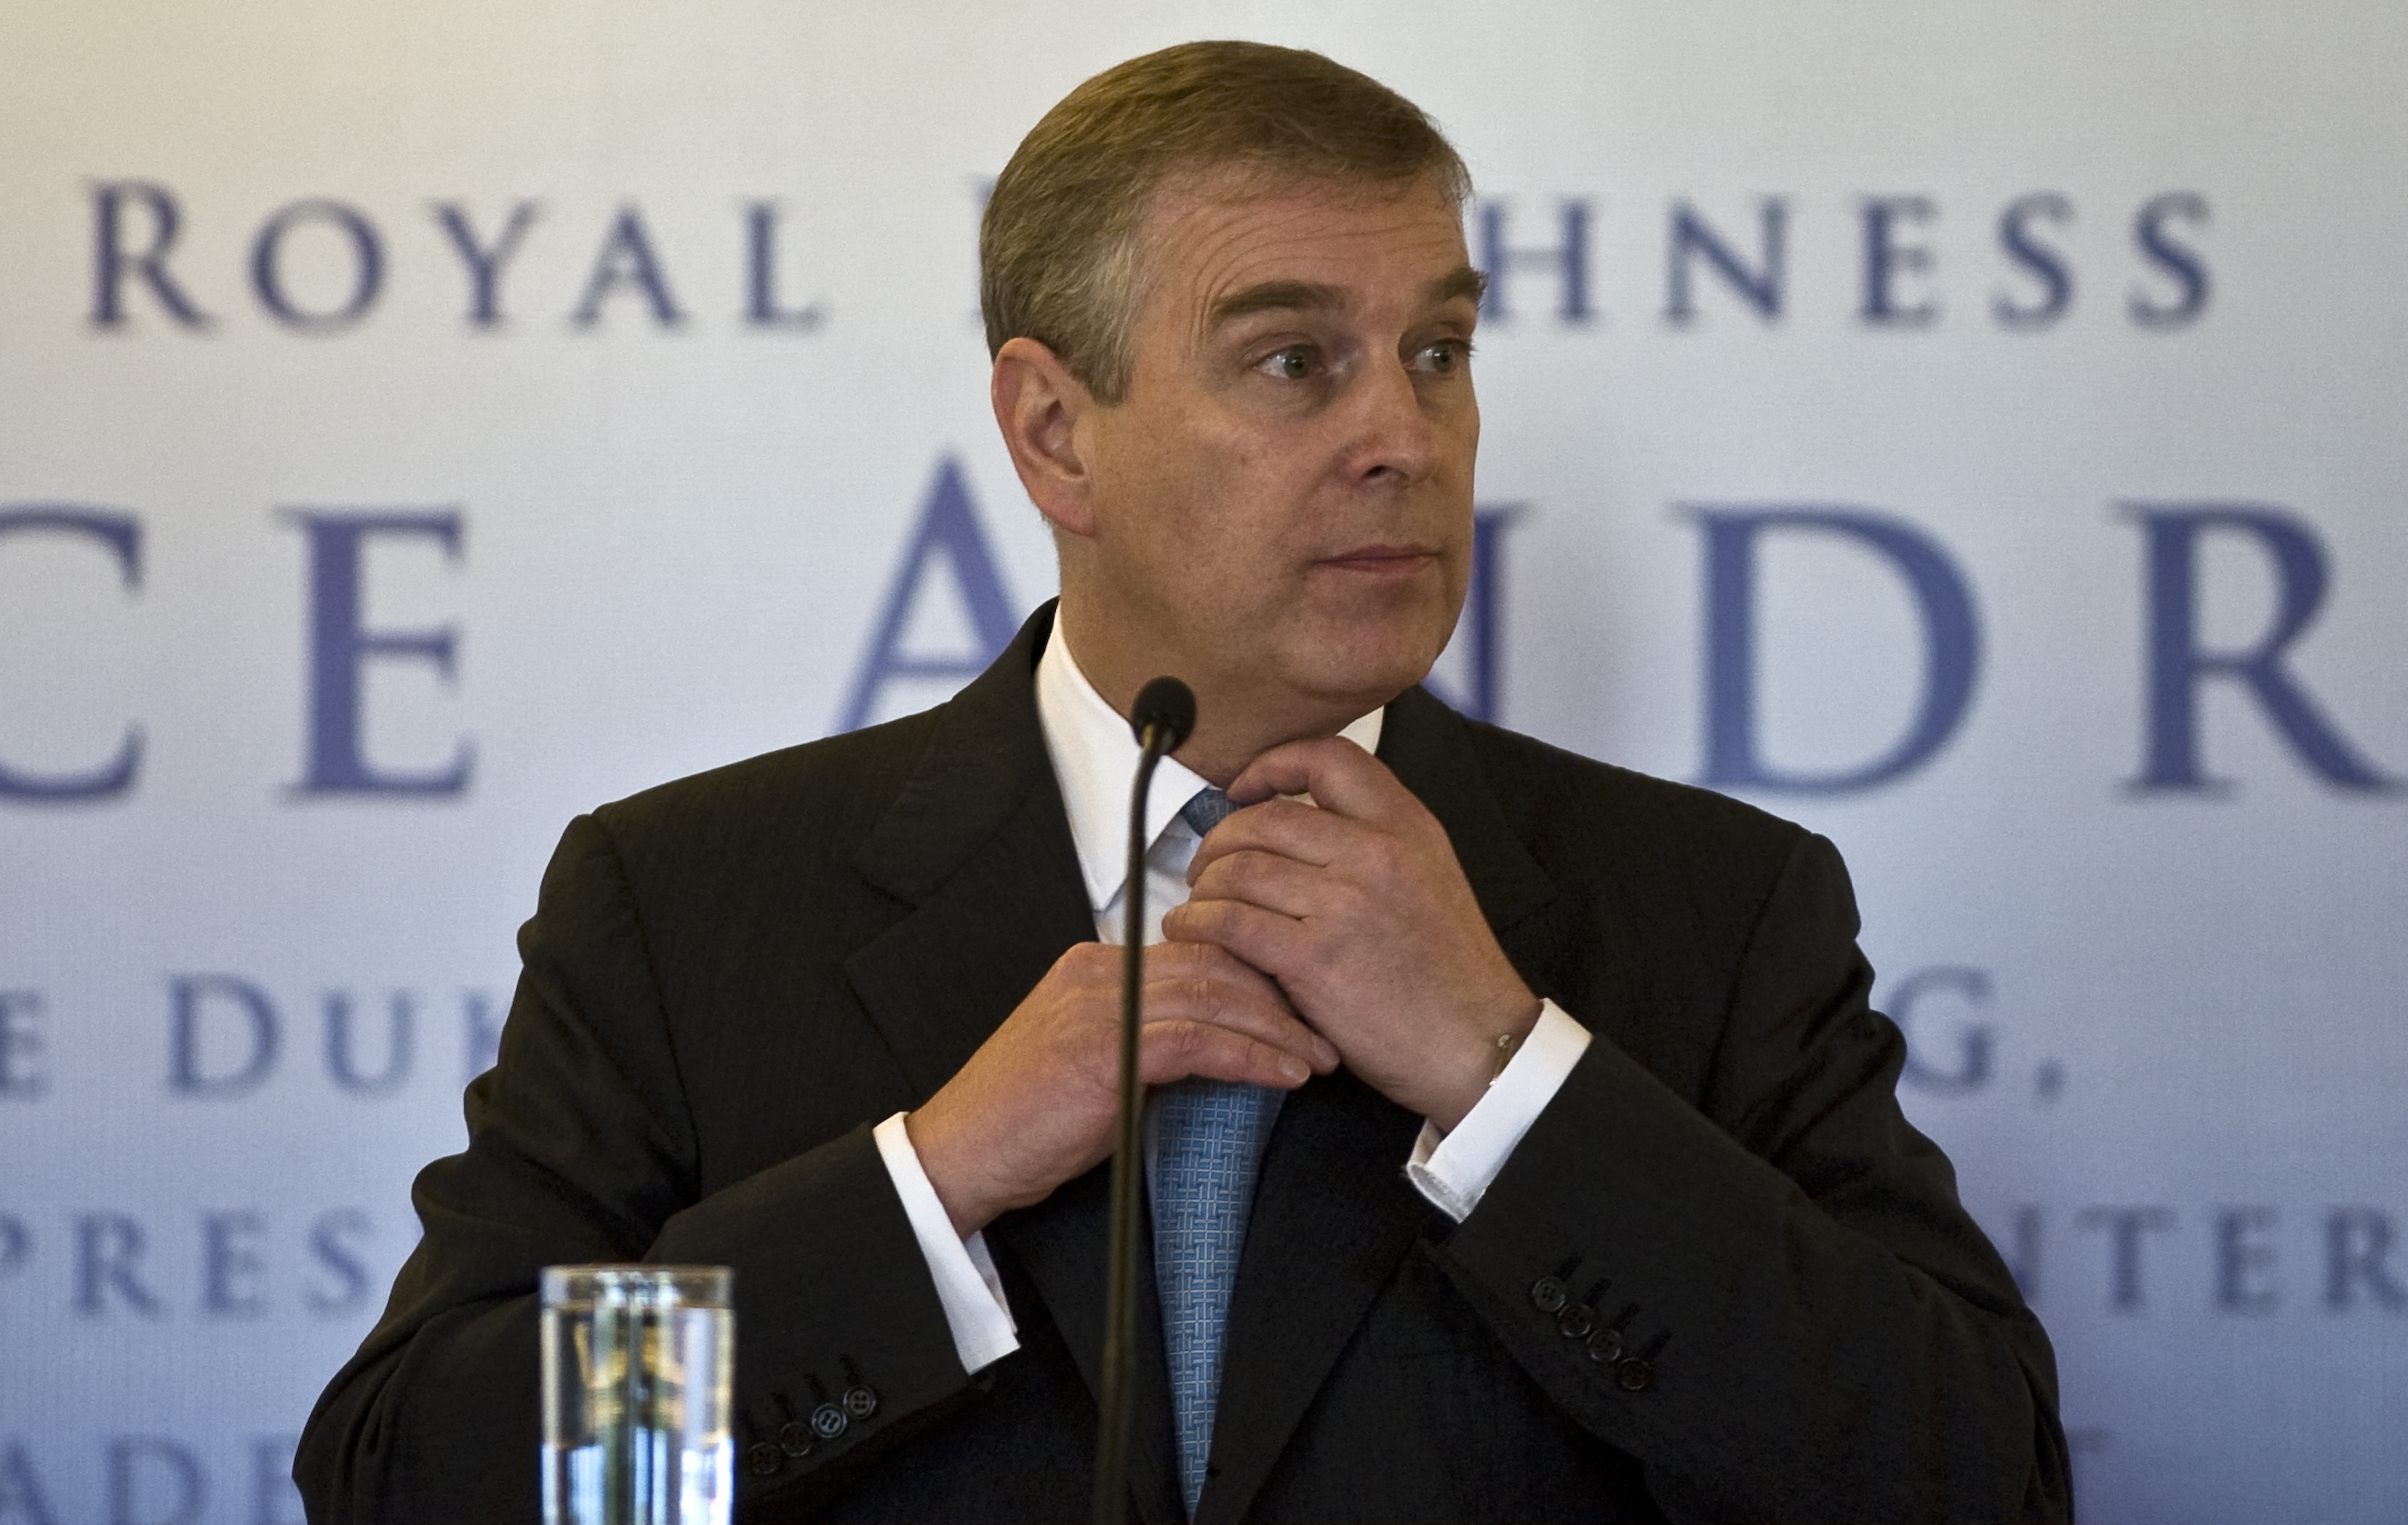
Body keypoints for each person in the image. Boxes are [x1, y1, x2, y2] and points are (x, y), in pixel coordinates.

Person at [297, 40, 2069, 1525]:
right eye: (1296, 359)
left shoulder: (1713, 906)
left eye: (1438, 351)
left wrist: (1509, 1073)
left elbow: (1969, 1481)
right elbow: (418, 1482)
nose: (1405, 434)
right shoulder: (686, 904)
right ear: (1055, 430)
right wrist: (933, 1177)